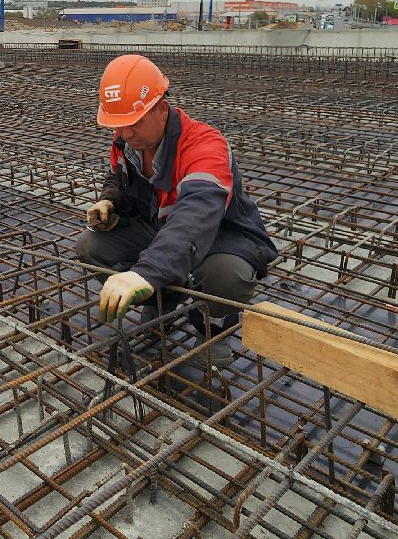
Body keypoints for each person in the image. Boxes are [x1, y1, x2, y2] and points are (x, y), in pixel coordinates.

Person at [78, 54, 277, 359]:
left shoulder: (204, 146)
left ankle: (212, 329)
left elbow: (197, 212)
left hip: (218, 237)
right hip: (161, 230)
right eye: (118, 125)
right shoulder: (127, 141)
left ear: (161, 108)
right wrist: (110, 200)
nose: (125, 133)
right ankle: (162, 302)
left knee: (226, 274)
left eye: (134, 123)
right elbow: (118, 176)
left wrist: (146, 272)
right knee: (91, 246)